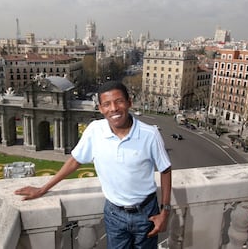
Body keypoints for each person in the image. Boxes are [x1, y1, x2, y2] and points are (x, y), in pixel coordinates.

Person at [15, 81, 172, 248]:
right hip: (114, 214)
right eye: (107, 104)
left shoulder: (150, 134)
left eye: (119, 101)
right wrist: (42, 189)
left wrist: (165, 212)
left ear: (129, 103)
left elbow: (165, 169)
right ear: (100, 109)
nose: (113, 108)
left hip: (147, 212)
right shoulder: (94, 130)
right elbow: (74, 161)